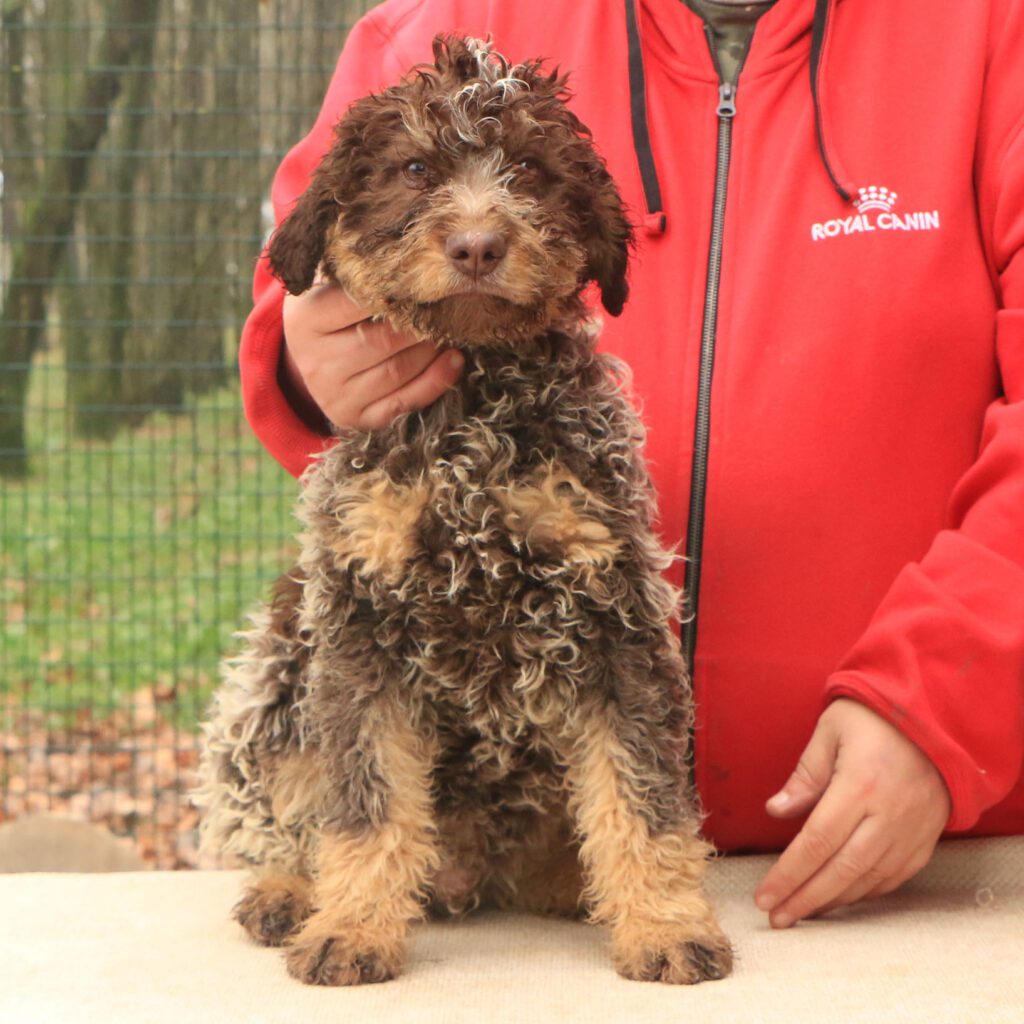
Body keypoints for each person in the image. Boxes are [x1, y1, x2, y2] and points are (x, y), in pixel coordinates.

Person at [239, 0, 1024, 929]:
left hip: (939, 869)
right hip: (512, 888)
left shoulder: (991, 30)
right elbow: (298, 278)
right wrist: (308, 364)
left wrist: (948, 699)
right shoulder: (447, 20)